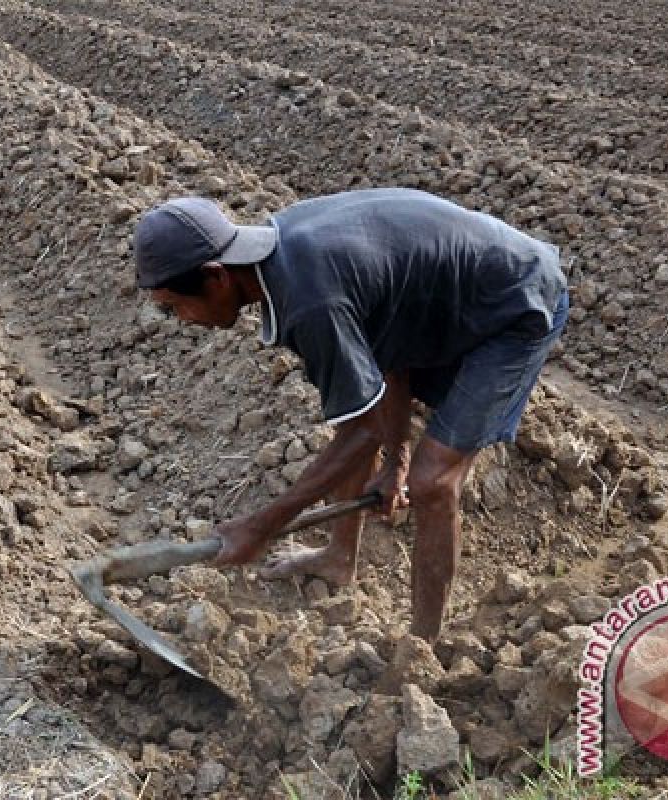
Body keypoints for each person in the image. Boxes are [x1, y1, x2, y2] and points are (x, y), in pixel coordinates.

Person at [132, 188, 568, 640]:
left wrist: (263, 526)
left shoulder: (311, 302)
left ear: (217, 276)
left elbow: (364, 434)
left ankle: (423, 645)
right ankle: (340, 559)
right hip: (436, 303)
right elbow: (374, 386)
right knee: (356, 424)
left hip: (516, 301)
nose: (179, 318)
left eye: (174, 306)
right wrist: (393, 461)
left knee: (432, 481)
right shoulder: (280, 259)